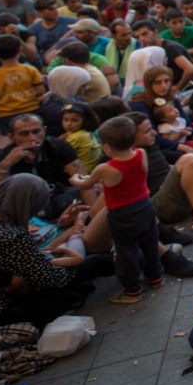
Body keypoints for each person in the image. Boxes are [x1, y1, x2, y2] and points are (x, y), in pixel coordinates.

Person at [0, 173, 86, 336]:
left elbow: (33, 260)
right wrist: (75, 246)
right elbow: (52, 279)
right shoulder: (4, 233)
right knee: (95, 263)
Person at [69, 117, 163, 304]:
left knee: (125, 251)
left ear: (107, 148)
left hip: (122, 214)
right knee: (150, 242)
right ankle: (156, 277)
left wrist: (75, 179)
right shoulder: (141, 154)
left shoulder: (105, 168)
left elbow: (86, 184)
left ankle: (132, 290)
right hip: (145, 205)